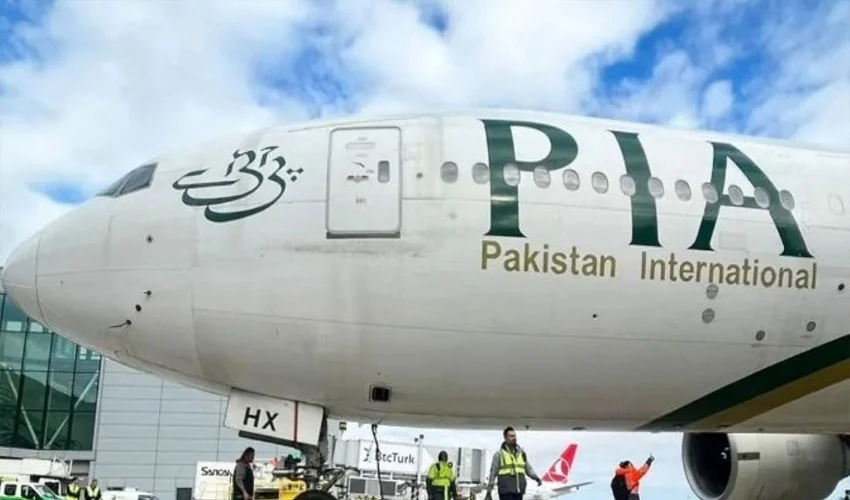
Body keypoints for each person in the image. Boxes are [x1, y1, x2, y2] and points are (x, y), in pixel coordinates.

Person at [485, 427, 542, 500]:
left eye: (514, 436)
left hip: (519, 491)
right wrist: (489, 491)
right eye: (511, 436)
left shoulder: (521, 454)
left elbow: (528, 469)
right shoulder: (499, 454)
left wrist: (536, 478)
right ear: (505, 438)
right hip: (506, 492)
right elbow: (493, 473)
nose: (514, 438)